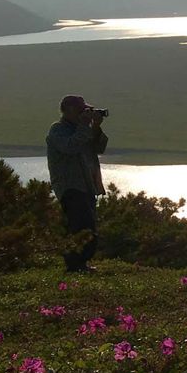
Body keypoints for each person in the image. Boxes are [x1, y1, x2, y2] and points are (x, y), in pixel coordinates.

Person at [46, 94, 108, 272]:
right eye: (82, 110)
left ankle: (81, 263)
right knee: (80, 226)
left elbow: (99, 148)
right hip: (70, 186)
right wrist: (84, 126)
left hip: (87, 185)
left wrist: (95, 127)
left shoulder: (83, 129)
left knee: (88, 226)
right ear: (71, 110)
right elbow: (70, 147)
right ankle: (75, 264)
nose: (85, 114)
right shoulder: (57, 130)